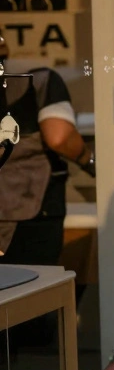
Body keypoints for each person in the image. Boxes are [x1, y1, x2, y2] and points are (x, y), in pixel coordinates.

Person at [0, 40, 93, 264]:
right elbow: (59, 137)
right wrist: (90, 161)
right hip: (28, 212)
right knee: (31, 292)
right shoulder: (39, 80)